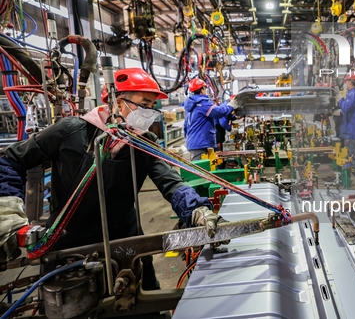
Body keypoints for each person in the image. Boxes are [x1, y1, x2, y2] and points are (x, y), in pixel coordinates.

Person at [0, 68, 221, 291]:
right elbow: (10, 161)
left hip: (126, 246)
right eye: (144, 104)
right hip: (68, 247)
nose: (148, 113)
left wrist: (196, 210)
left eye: (152, 107)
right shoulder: (71, 132)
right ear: (116, 101)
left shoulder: (144, 143)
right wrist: (8, 214)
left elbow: (171, 182)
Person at [184, 78, 238, 161]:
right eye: (205, 88)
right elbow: (218, 112)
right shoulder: (202, 104)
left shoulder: (191, 105)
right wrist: (231, 105)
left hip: (195, 143)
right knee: (200, 171)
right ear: (202, 90)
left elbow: (185, 127)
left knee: (203, 169)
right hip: (200, 143)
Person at [334, 72, 355, 187]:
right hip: (349, 131)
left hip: (352, 133)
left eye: (346, 82)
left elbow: (346, 107)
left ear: (350, 82)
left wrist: (338, 98)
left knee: (353, 160)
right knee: (350, 158)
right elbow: (347, 111)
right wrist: (337, 112)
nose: (345, 84)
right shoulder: (350, 94)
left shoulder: (353, 94)